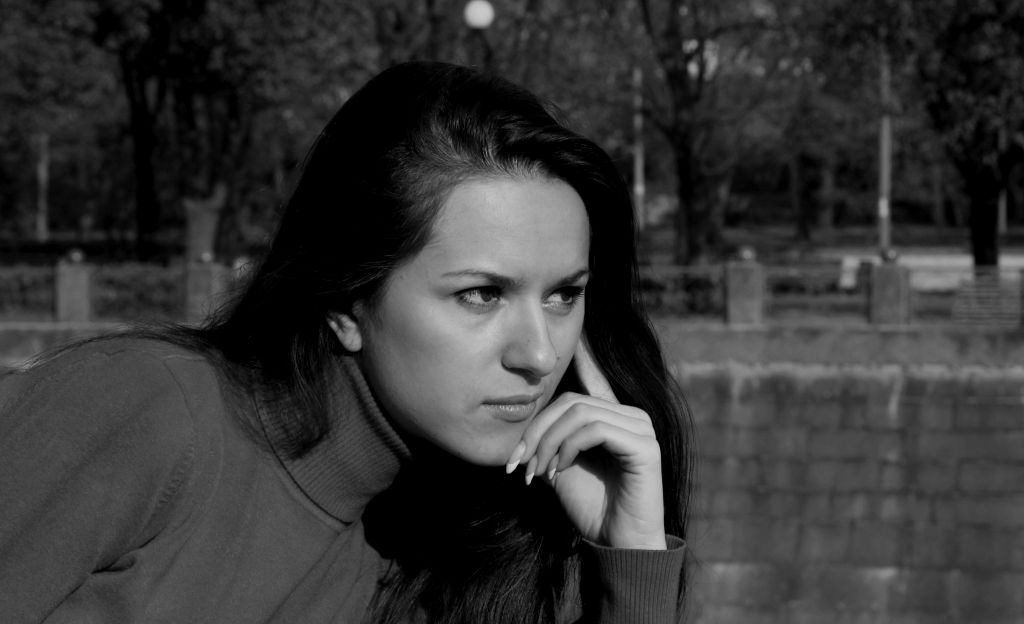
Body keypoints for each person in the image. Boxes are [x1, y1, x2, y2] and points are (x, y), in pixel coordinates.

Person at [0, 61, 695, 623]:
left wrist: (630, 559)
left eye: (564, 295)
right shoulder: (144, 409)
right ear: (345, 301)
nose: (539, 355)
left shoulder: (455, 552)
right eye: (482, 295)